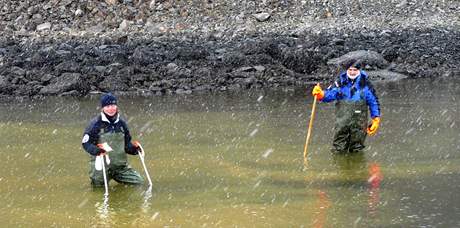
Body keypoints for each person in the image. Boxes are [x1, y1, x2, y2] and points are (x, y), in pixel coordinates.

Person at [312, 59, 381, 153]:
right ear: (347, 70)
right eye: (350, 70)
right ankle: (339, 165)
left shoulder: (366, 84)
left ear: (359, 70)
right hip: (342, 122)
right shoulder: (340, 82)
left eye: (355, 70)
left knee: (357, 149)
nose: (352, 72)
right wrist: (321, 94)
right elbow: (330, 95)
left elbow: (374, 102)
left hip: (359, 124)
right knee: (338, 149)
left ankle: (356, 166)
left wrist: (376, 118)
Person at [82, 93, 144, 186]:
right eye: (107, 106)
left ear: (116, 106)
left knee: (139, 182)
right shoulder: (95, 124)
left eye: (113, 105)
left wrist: (134, 150)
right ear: (103, 108)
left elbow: (126, 146)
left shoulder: (122, 124)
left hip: (120, 167)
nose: (111, 108)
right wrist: (96, 150)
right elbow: (86, 144)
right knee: (98, 190)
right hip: (101, 167)